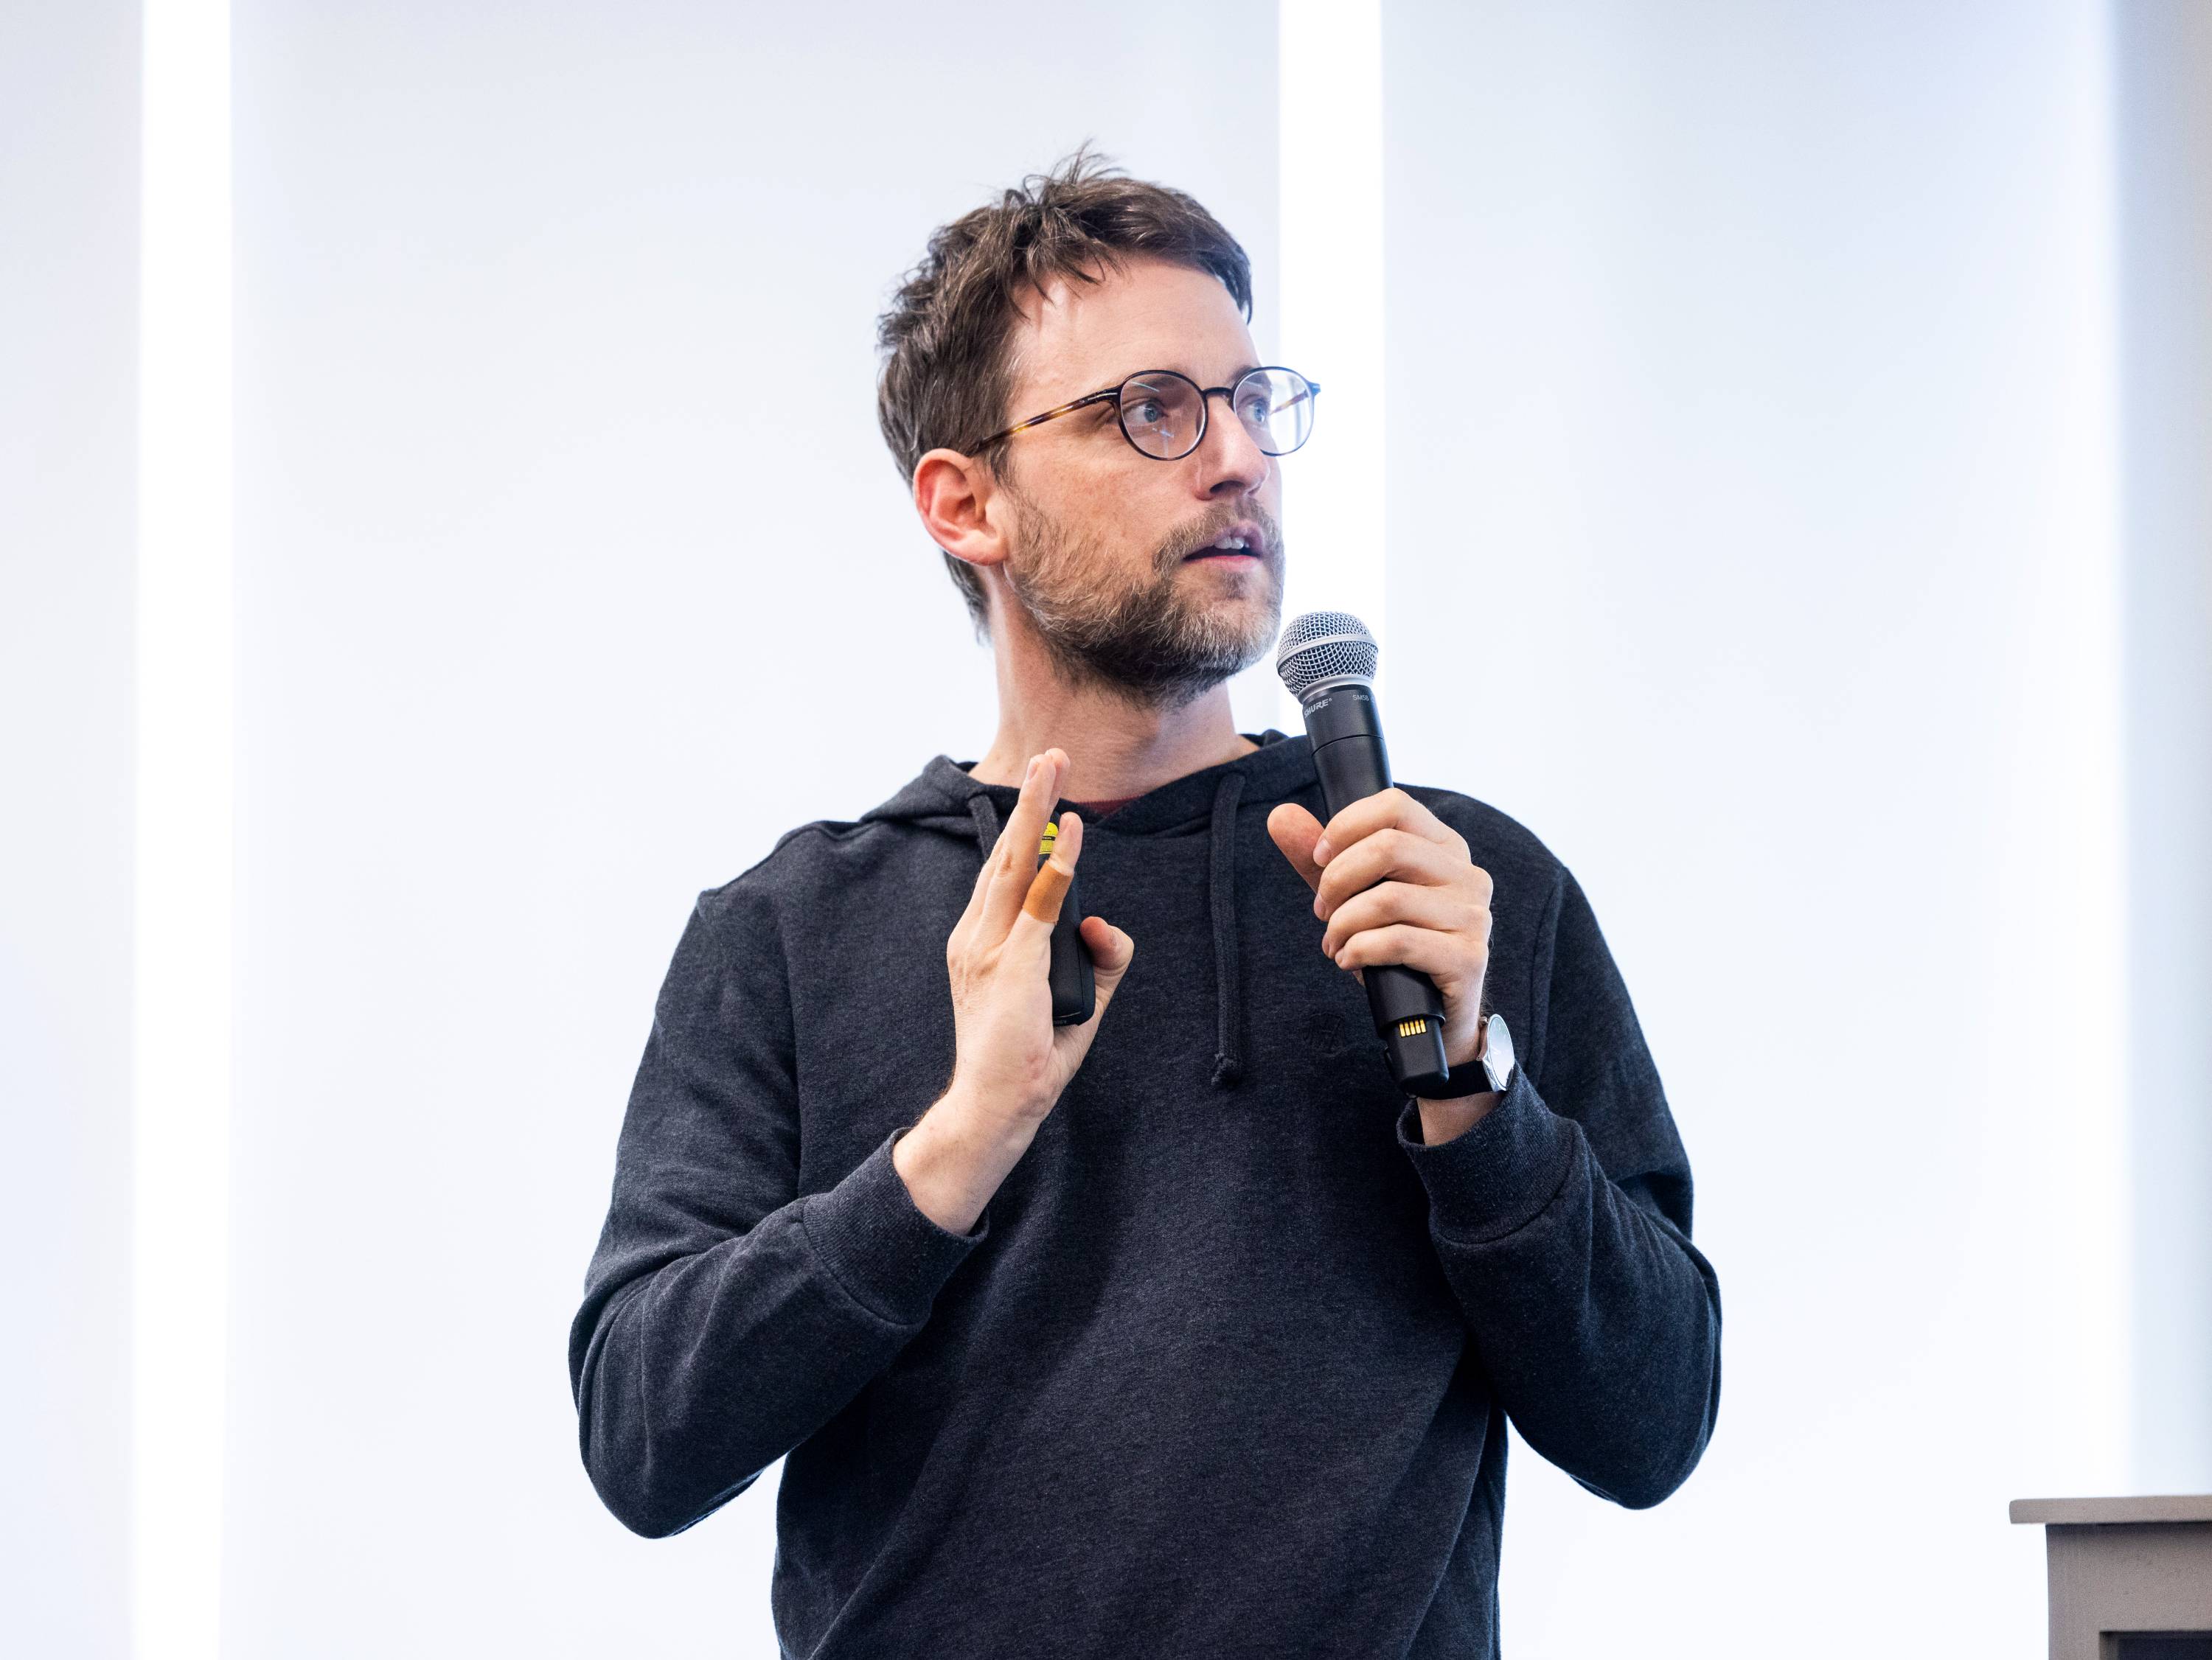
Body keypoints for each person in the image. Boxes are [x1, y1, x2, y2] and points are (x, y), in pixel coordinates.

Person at [568, 151, 1722, 1659]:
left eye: (1253, 403)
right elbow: (646, 1438)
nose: (1236, 458)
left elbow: (1654, 1422)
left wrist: (1474, 1091)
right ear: (965, 500)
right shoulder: (791, 933)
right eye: (1152, 411)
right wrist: (954, 1146)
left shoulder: (1441, 890)